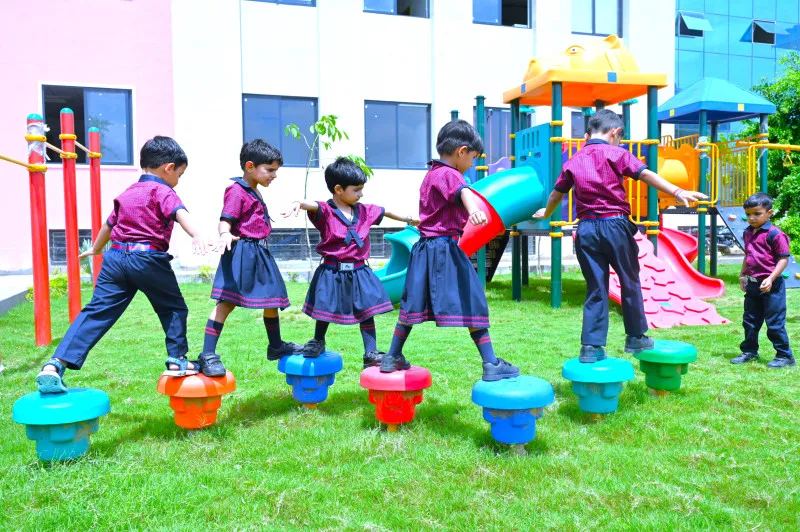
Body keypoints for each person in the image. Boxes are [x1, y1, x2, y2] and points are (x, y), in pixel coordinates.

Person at [36, 136, 210, 393]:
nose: (178, 180)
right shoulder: (163, 191)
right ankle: (177, 360)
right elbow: (179, 213)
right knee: (173, 308)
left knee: (96, 311)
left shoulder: (128, 192)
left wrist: (96, 249)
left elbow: (109, 224)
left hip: (115, 258)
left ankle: (55, 364)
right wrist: (196, 234)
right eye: (179, 175)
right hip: (147, 259)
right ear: (169, 168)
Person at [533, 109, 707, 362]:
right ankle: (635, 337)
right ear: (615, 132)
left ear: (587, 135)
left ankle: (591, 347)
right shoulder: (617, 154)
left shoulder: (574, 160)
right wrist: (678, 191)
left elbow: (556, 194)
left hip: (586, 229)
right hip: (614, 225)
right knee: (629, 280)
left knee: (596, 287)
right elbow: (645, 174)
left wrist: (547, 213)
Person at [379, 120, 520, 381]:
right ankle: (491, 363)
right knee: (473, 300)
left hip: (424, 249)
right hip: (444, 248)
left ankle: (392, 356)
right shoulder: (451, 174)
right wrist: (474, 210)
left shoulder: (431, 173)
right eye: (473, 158)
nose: (473, 164)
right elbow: (463, 190)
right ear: (461, 151)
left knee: (412, 303)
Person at [283, 157, 418, 368]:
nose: (361, 194)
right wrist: (298, 203)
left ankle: (370, 352)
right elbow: (313, 205)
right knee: (324, 308)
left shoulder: (364, 210)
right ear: (338, 189)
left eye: (361, 189)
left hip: (359, 271)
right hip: (331, 271)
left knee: (367, 311)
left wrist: (408, 219)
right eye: (356, 190)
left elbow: (386, 211)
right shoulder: (326, 211)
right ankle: (318, 341)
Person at [200, 139, 301, 376]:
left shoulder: (254, 190)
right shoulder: (237, 190)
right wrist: (224, 234)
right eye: (270, 170)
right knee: (226, 303)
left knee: (272, 299)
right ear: (250, 166)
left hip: (260, 252)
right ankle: (207, 353)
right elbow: (225, 219)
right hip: (242, 252)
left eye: (276, 170)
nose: (274, 175)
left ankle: (276, 346)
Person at [731, 192, 795, 368]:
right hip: (753, 284)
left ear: (769, 213)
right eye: (748, 214)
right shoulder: (747, 232)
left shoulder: (775, 235)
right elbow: (748, 255)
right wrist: (743, 275)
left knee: (774, 323)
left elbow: (783, 259)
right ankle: (750, 352)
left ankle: (784, 356)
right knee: (750, 320)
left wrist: (771, 278)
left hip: (772, 286)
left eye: (757, 213)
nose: (752, 218)